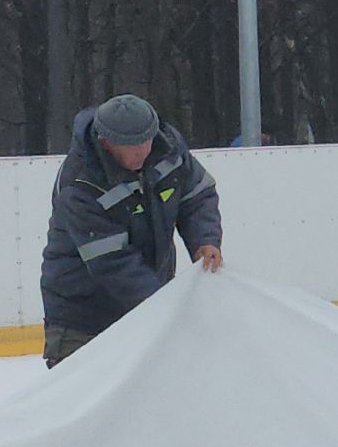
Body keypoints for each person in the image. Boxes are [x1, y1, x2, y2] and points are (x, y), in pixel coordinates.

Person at [39, 93, 223, 367]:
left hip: (146, 306)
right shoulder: (80, 184)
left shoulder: (169, 149)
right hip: (81, 318)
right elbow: (112, 262)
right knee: (85, 403)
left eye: (147, 140)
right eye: (131, 146)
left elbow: (197, 196)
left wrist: (205, 240)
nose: (143, 151)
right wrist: (165, 302)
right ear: (105, 142)